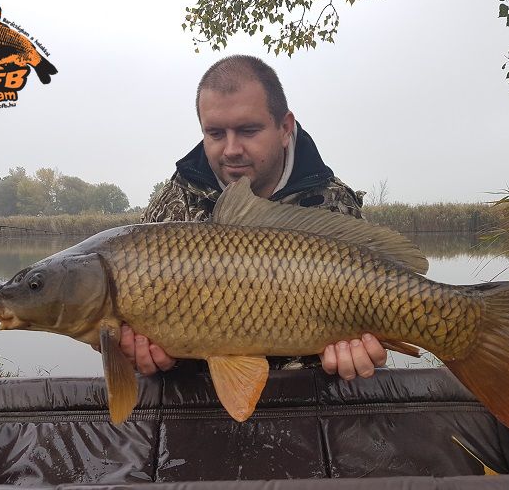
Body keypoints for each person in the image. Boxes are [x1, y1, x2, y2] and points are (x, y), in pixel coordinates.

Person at [125, 55, 387, 381]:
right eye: (216, 133)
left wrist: (361, 356)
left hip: (305, 405)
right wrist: (143, 356)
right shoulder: (173, 203)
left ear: (284, 128)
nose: (231, 149)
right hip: (202, 406)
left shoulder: (331, 202)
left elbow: (377, 312)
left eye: (248, 130)